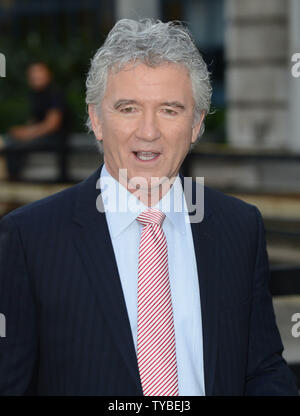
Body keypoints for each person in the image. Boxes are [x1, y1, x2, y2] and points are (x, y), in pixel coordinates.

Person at [0, 19, 298, 396]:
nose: (148, 131)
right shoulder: (30, 238)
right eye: (128, 108)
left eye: (170, 110)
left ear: (195, 124)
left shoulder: (239, 227)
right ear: (96, 119)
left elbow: (262, 369)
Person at [0, 62, 69, 180]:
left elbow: (52, 125)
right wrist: (22, 131)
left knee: (13, 146)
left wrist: (27, 134)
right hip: (42, 136)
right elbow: (34, 121)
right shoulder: (35, 95)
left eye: (38, 74)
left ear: (47, 75)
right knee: (10, 140)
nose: (35, 77)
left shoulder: (54, 94)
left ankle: (13, 179)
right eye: (33, 75)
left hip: (55, 138)